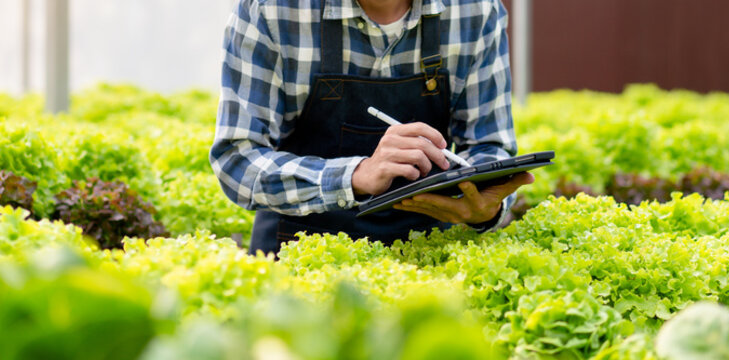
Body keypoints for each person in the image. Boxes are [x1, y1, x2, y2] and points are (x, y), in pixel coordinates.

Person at [211, 0, 533, 255]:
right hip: (294, 260)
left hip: (428, 269)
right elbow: (237, 159)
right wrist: (354, 177)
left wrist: (485, 208)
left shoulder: (475, 10)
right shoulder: (271, 9)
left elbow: (489, 144)